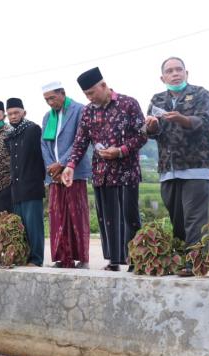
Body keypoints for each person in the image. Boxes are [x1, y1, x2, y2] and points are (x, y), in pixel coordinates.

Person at [61, 67, 147, 271]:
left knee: (129, 218)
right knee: (107, 219)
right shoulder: (88, 111)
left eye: (92, 93)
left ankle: (136, 261)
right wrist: (70, 165)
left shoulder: (128, 103)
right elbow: (81, 141)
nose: (90, 98)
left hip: (126, 171)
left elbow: (142, 135)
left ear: (103, 85)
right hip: (101, 173)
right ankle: (114, 261)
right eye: (86, 95)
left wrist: (121, 150)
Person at [145, 57, 209, 277]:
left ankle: (195, 264)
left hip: (196, 168)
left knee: (195, 219)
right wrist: (151, 127)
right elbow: (151, 133)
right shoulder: (157, 99)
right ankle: (181, 260)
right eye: (170, 71)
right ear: (162, 77)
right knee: (177, 220)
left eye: (178, 70)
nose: (175, 74)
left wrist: (182, 119)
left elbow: (204, 122)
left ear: (186, 72)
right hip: (168, 170)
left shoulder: (201, 94)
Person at [41, 81, 91, 268]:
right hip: (54, 174)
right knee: (57, 215)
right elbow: (44, 144)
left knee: (76, 214)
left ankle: (83, 258)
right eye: (46, 100)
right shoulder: (48, 117)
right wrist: (51, 167)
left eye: (52, 98)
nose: (50, 103)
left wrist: (61, 163)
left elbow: (81, 140)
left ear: (63, 93)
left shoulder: (79, 110)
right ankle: (63, 258)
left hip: (73, 171)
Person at [4, 97, 46, 266]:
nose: (13, 116)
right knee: (20, 226)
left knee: (34, 226)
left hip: (31, 185)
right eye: (10, 114)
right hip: (16, 188)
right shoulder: (10, 135)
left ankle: (36, 259)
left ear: (24, 113)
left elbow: (42, 156)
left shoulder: (33, 129)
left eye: (16, 113)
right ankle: (24, 257)